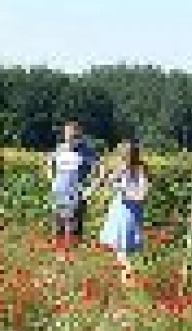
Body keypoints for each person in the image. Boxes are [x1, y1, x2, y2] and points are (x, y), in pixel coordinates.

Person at [98, 140, 148, 283]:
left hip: (129, 210)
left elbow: (142, 194)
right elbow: (108, 184)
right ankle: (126, 276)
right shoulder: (121, 168)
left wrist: (123, 190)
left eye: (124, 154)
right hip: (119, 208)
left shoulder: (140, 170)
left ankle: (129, 275)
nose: (122, 156)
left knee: (124, 246)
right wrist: (104, 177)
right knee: (119, 246)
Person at [47, 120, 101, 248]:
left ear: (80, 135)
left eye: (74, 136)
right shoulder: (59, 149)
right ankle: (58, 255)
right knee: (58, 225)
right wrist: (51, 180)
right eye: (68, 135)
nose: (71, 138)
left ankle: (74, 258)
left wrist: (91, 189)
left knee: (74, 227)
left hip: (77, 194)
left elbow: (100, 170)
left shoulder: (87, 152)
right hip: (59, 193)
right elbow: (50, 163)